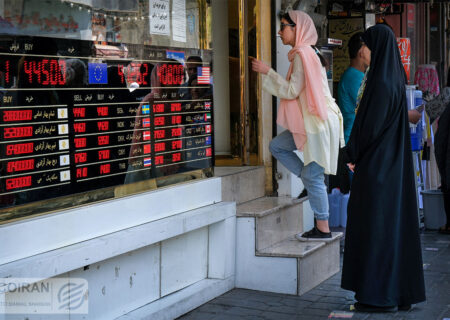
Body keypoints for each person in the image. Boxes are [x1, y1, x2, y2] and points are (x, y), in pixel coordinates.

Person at [341, 24, 426, 312]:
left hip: (376, 171)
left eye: (367, 45)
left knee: (375, 229)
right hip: (392, 171)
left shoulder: (379, 83)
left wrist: (350, 152)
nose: (364, 50)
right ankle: (397, 294)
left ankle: (378, 296)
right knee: (391, 230)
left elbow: (369, 129)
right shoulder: (391, 81)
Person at [252, 10, 344, 240]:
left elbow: (292, 90)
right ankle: (307, 183)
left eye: (283, 26)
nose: (279, 31)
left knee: (314, 176)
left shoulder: (303, 54)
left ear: (297, 28)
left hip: (317, 123)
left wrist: (267, 72)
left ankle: (323, 227)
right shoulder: (307, 52)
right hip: (314, 122)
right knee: (278, 146)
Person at [338, 32, 366, 144]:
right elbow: (371, 105)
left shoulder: (356, 75)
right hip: (354, 139)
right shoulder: (354, 76)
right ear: (361, 52)